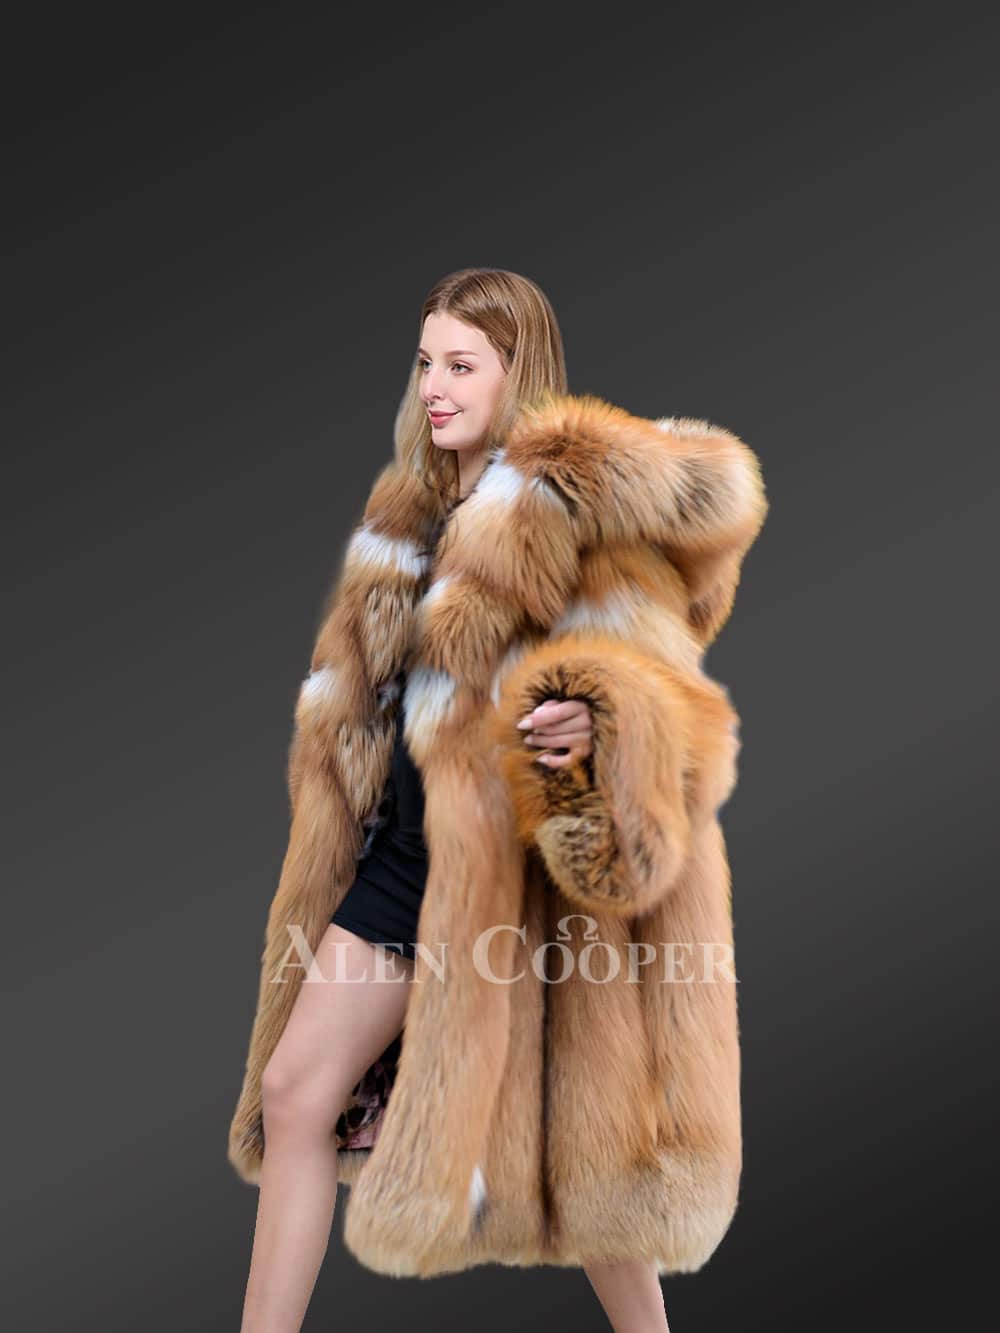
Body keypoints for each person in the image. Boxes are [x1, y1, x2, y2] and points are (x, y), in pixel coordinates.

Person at [231, 268, 769, 1332]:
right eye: (425, 362)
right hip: (402, 860)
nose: (433, 387)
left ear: (518, 372)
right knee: (297, 1094)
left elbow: (677, 713)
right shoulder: (410, 515)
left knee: (587, 1169)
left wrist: (599, 722)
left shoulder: (573, 511)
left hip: (516, 882)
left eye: (461, 365)